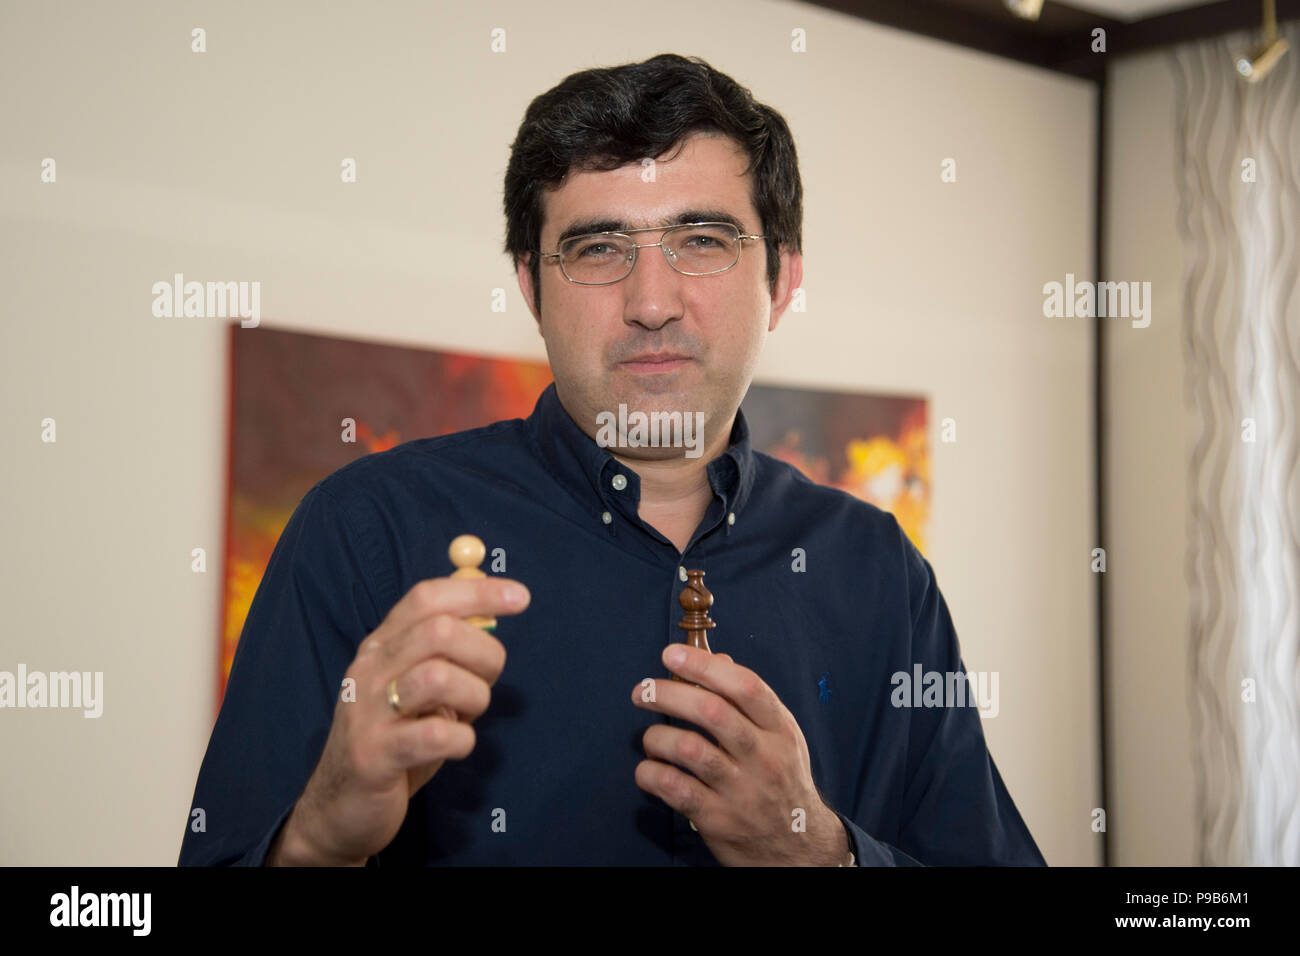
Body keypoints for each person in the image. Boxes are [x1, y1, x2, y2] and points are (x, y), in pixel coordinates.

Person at [178, 52, 1045, 867]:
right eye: (599, 249)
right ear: (531, 285)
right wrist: (316, 842)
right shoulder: (365, 532)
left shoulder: (879, 572)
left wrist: (824, 852)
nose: (652, 302)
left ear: (781, 280)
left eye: (701, 241)